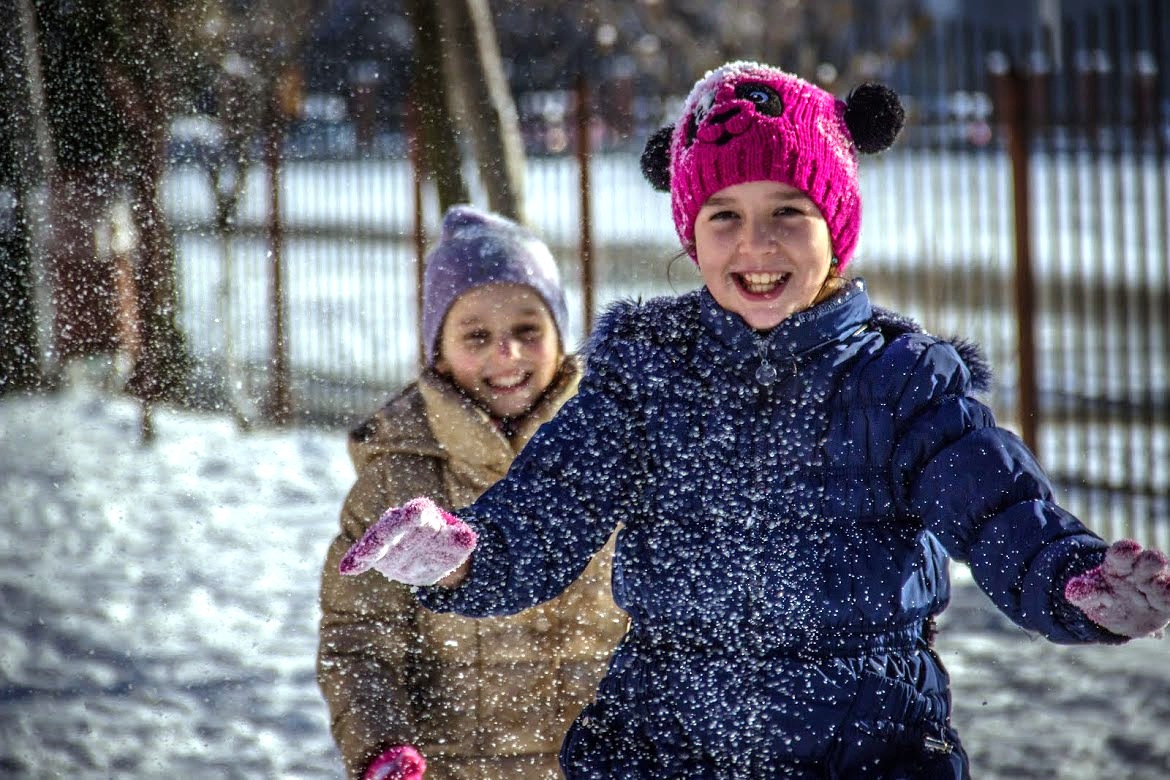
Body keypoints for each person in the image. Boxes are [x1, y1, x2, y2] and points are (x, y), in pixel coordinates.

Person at [338, 62, 1170, 779]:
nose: (756, 244)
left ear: (837, 228)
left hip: (863, 743)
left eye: (788, 211)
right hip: (661, 743)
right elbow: (552, 506)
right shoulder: (644, 377)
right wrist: (466, 558)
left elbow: (999, 514)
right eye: (724, 216)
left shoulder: (901, 384)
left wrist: (1073, 580)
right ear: (692, 236)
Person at [317, 205, 628, 780]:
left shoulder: (616, 448)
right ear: (438, 350)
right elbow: (359, 640)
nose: (506, 354)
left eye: (528, 331)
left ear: (561, 337)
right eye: (477, 335)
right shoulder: (400, 479)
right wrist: (382, 745)